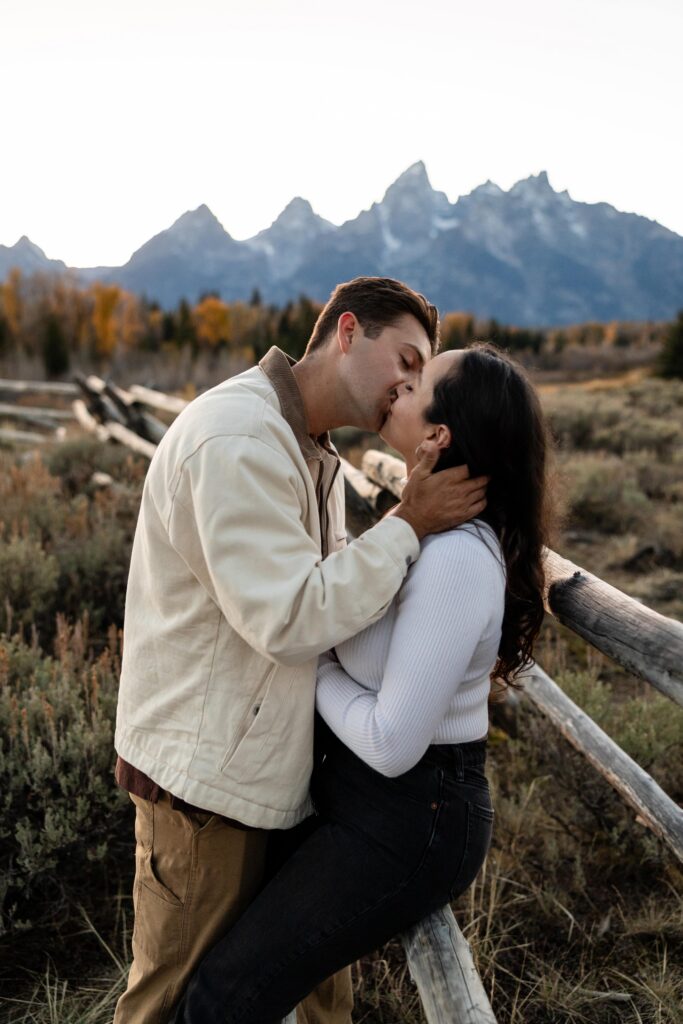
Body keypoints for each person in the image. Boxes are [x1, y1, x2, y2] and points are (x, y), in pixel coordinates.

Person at [112, 277, 488, 1024]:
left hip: (268, 772)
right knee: (174, 1004)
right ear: (347, 332)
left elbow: (327, 602)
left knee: (299, 996)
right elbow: (288, 617)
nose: (410, 389)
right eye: (405, 362)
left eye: (423, 378)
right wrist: (407, 526)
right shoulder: (241, 440)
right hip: (207, 791)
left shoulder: (302, 443)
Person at [171, 342, 552, 1024]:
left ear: (437, 433)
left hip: (413, 815)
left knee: (223, 1000)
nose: (397, 387)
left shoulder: (458, 560)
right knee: (228, 978)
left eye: (416, 384)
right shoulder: (422, 529)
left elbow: (390, 740)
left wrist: (311, 667)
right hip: (359, 793)